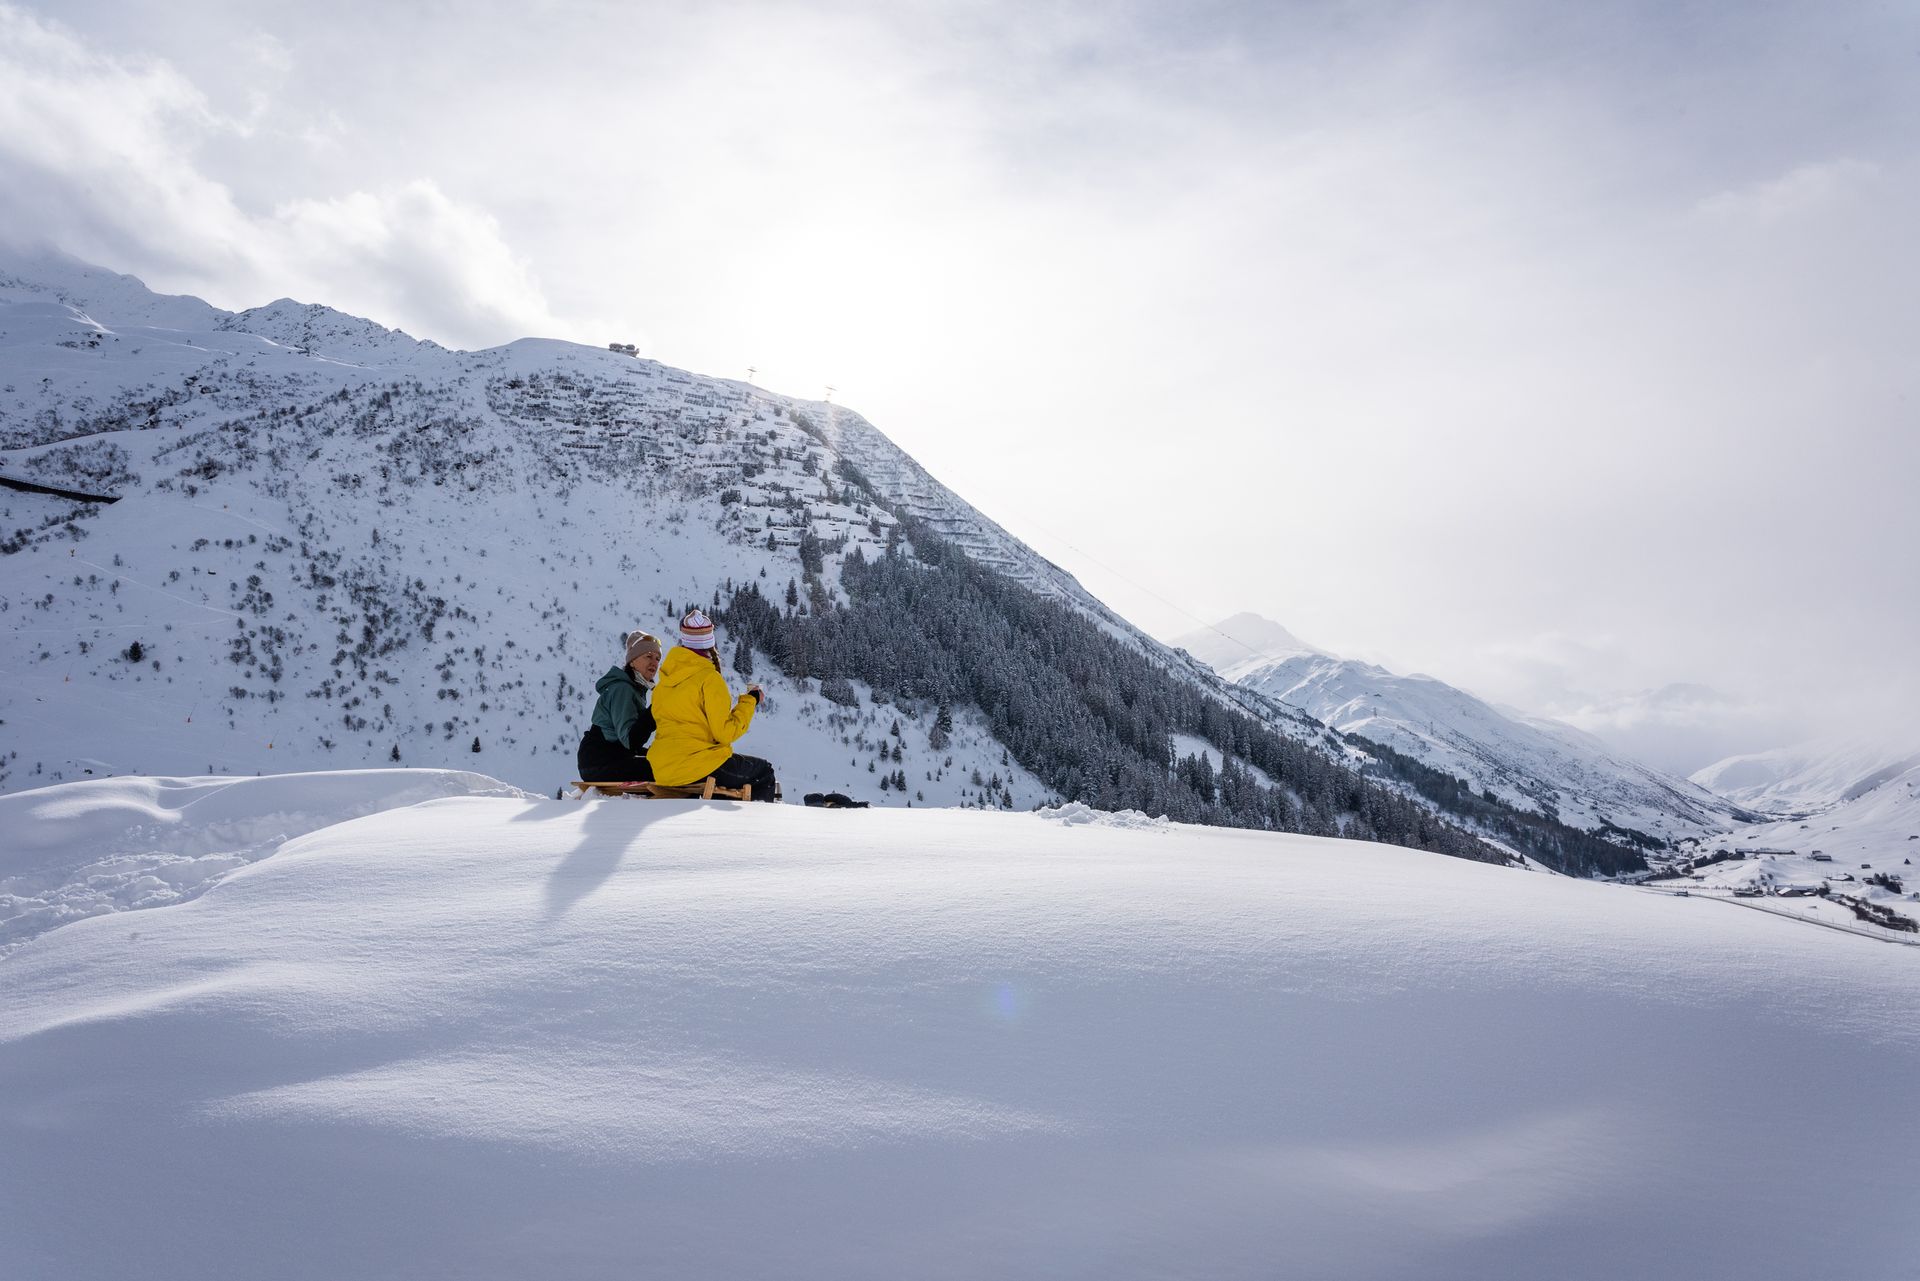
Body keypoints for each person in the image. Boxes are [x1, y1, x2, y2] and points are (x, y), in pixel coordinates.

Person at [647, 608, 780, 801]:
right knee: (763, 772)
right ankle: (752, 829)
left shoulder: (664, 682)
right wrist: (750, 700)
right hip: (696, 764)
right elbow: (724, 733)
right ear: (710, 642)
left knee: (727, 774)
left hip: (663, 768)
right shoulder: (708, 678)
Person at [576, 630, 662, 782]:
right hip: (600, 763)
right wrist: (656, 709)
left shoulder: (633, 689)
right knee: (667, 768)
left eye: (657, 658)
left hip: (602, 759)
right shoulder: (623, 689)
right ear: (632, 661)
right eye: (648, 656)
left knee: (663, 763)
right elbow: (630, 740)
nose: (654, 663)